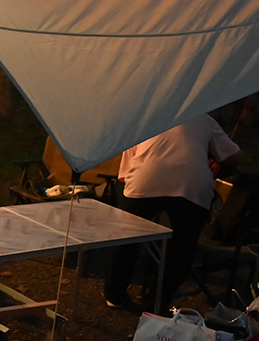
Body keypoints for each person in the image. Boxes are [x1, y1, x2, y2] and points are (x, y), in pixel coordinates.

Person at [104, 114, 243, 313]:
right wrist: (212, 157)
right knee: (181, 248)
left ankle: (114, 296)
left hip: (146, 176)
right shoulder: (203, 116)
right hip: (192, 183)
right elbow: (237, 157)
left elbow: (125, 174)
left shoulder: (146, 116)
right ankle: (157, 304)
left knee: (126, 237)